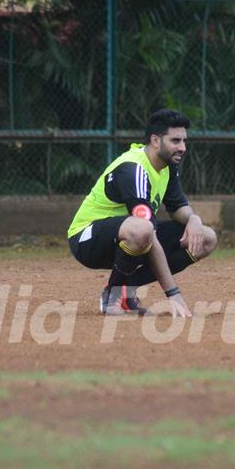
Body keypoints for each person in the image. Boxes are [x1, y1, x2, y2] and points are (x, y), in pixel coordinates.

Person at [67, 109, 217, 317]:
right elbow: (148, 232)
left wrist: (194, 219)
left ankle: (126, 291)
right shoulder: (133, 168)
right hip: (87, 240)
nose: (182, 148)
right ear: (155, 140)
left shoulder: (167, 166)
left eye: (184, 141)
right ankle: (113, 295)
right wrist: (172, 293)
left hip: (131, 238)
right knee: (143, 229)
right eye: (175, 141)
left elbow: (178, 208)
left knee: (206, 237)